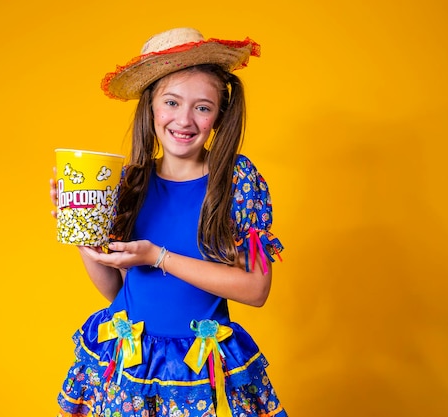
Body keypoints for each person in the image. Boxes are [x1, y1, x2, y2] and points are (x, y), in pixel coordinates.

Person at [50, 27, 287, 417]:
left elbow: (256, 289)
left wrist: (157, 256)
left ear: (219, 115)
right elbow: (115, 290)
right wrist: (79, 231)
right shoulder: (128, 182)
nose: (185, 120)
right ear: (151, 108)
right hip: (130, 358)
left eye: (202, 107)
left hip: (193, 364)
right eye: (172, 102)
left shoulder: (237, 181)